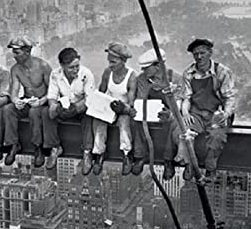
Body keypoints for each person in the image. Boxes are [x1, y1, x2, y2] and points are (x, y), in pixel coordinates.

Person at [176, 38, 236, 182]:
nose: (199, 57)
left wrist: (226, 113)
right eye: (195, 54)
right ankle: (190, 164)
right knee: (186, 132)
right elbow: (186, 98)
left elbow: (229, 97)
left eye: (202, 53)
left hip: (217, 112)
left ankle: (210, 168)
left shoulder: (222, 72)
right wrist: (185, 113)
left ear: (210, 53)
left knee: (216, 136)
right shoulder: (189, 73)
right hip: (197, 113)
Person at [130, 48, 182, 177]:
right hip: (150, 113)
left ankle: (168, 160)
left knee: (174, 123)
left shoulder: (175, 78)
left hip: (168, 114)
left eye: (146, 68)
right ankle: (140, 156)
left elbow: (178, 104)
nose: (143, 71)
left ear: (158, 65)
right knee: (136, 120)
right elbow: (141, 99)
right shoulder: (142, 79)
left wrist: (169, 113)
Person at [42, 47, 95, 172]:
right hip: (64, 105)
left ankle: (87, 151)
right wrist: (54, 107)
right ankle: (54, 147)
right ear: (62, 66)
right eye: (71, 67)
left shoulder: (86, 74)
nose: (75, 70)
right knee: (46, 113)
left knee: (89, 115)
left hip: (81, 107)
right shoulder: (55, 74)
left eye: (77, 66)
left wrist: (77, 108)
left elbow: (90, 98)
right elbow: (52, 96)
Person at [3, 37, 51, 167]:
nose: (14, 56)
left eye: (17, 52)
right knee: (8, 110)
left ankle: (38, 147)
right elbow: (14, 90)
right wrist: (16, 100)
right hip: (28, 101)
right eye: (13, 52)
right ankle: (13, 144)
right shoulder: (15, 69)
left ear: (27, 52)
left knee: (34, 113)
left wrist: (41, 101)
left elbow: (53, 91)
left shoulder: (43, 66)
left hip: (42, 102)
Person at [91, 42, 136, 176]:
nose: (110, 65)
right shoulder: (107, 73)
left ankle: (126, 155)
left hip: (123, 109)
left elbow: (132, 101)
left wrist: (124, 108)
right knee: (99, 123)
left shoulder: (131, 76)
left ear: (123, 61)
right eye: (109, 62)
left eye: (114, 62)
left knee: (124, 124)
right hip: (109, 106)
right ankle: (99, 154)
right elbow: (102, 91)